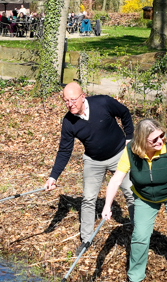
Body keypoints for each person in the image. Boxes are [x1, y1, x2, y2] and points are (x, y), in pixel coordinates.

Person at [102, 119, 167, 282]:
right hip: (145, 196)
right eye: (154, 140)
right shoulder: (131, 151)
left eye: (161, 136)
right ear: (141, 141)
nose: (160, 141)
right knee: (139, 235)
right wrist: (107, 205)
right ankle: (135, 276)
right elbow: (116, 178)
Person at [45, 82, 135, 242]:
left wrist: (129, 137)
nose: (70, 104)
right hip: (93, 161)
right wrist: (53, 177)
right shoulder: (68, 122)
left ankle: (138, 230)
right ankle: (86, 240)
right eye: (66, 101)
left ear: (83, 96)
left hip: (120, 155)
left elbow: (125, 113)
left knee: (130, 192)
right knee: (87, 199)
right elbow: (64, 151)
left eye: (73, 100)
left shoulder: (103, 103)